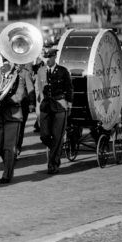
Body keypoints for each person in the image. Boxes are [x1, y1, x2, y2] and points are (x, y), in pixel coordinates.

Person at [0, 60, 27, 184]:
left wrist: (3, 99)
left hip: (12, 116)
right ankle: (8, 165)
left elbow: (19, 96)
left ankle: (7, 174)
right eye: (2, 64)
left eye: (6, 64)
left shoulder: (18, 79)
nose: (3, 67)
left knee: (9, 147)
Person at [37, 47, 71, 175]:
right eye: (45, 57)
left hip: (60, 106)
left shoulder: (62, 71)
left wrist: (69, 105)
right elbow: (39, 90)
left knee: (57, 136)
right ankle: (56, 148)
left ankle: (53, 165)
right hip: (45, 106)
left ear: (54, 57)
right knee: (44, 136)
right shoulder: (41, 71)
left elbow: (69, 89)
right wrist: (37, 108)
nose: (47, 60)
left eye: (49, 57)